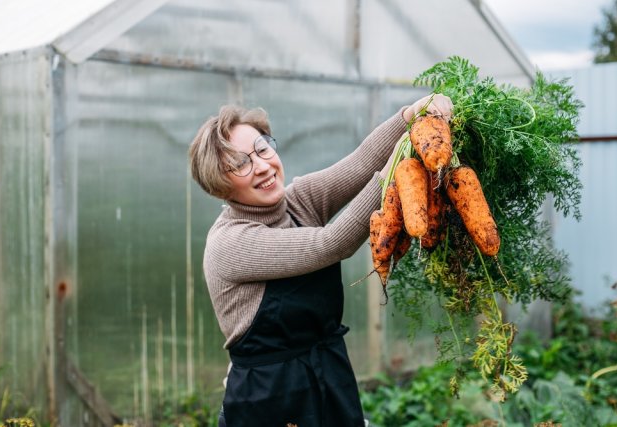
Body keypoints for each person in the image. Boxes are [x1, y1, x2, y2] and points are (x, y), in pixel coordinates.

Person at [188, 94, 453, 427]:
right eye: (240, 164)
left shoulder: (298, 201)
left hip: (330, 379)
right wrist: (394, 176)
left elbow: (360, 163)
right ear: (220, 183)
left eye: (262, 148)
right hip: (270, 401)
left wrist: (412, 114)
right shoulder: (230, 242)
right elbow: (331, 244)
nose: (262, 166)